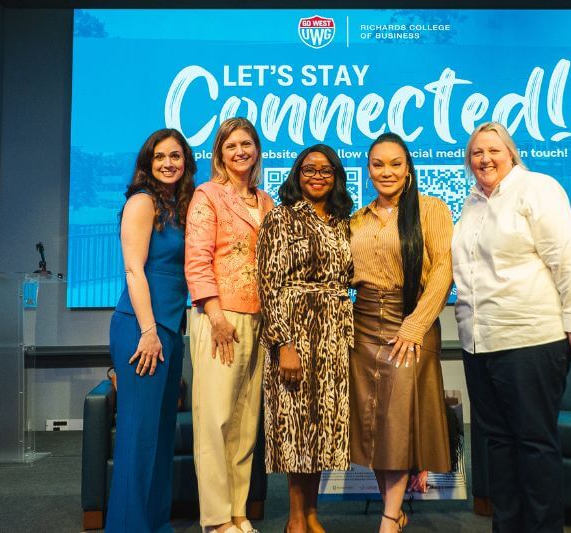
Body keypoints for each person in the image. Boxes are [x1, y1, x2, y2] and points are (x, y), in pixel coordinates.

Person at [453, 121, 571, 532]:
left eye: (493, 150)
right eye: (476, 153)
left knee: (534, 443)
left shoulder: (537, 188)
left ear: (511, 153)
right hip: (479, 341)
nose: (484, 159)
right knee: (497, 444)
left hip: (530, 337)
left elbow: (567, 256)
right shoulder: (472, 204)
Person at [350, 132, 454, 533]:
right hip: (362, 326)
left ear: (408, 167)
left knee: (396, 421)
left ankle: (389, 519)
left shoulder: (431, 210)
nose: (386, 171)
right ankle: (393, 509)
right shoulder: (356, 219)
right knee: (372, 425)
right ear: (369, 169)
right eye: (378, 164)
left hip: (409, 321)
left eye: (395, 163)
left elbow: (444, 271)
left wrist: (414, 326)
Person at [257, 144, 354, 533]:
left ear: (336, 177)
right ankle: (295, 518)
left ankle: (313, 513)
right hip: (295, 332)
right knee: (295, 427)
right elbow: (269, 284)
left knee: (321, 428)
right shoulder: (280, 219)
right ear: (297, 174)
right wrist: (284, 344)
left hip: (333, 334)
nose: (317, 176)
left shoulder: (342, 221)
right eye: (309, 169)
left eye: (326, 170)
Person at [185, 117, 273, 533]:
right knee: (215, 421)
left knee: (244, 422)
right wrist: (216, 316)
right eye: (231, 145)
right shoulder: (208, 195)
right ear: (219, 153)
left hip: (259, 320)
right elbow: (198, 260)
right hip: (218, 318)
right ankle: (217, 519)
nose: (240, 151)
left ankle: (238, 511)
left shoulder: (266, 201)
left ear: (257, 150)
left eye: (247, 144)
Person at [106, 128, 196, 533]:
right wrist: (148, 331)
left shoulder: (179, 206)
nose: (168, 163)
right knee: (138, 438)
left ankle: (155, 522)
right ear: (148, 163)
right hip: (143, 330)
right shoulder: (142, 202)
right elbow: (133, 270)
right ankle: (128, 527)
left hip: (170, 331)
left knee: (159, 435)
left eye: (175, 156)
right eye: (160, 156)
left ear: (186, 161)